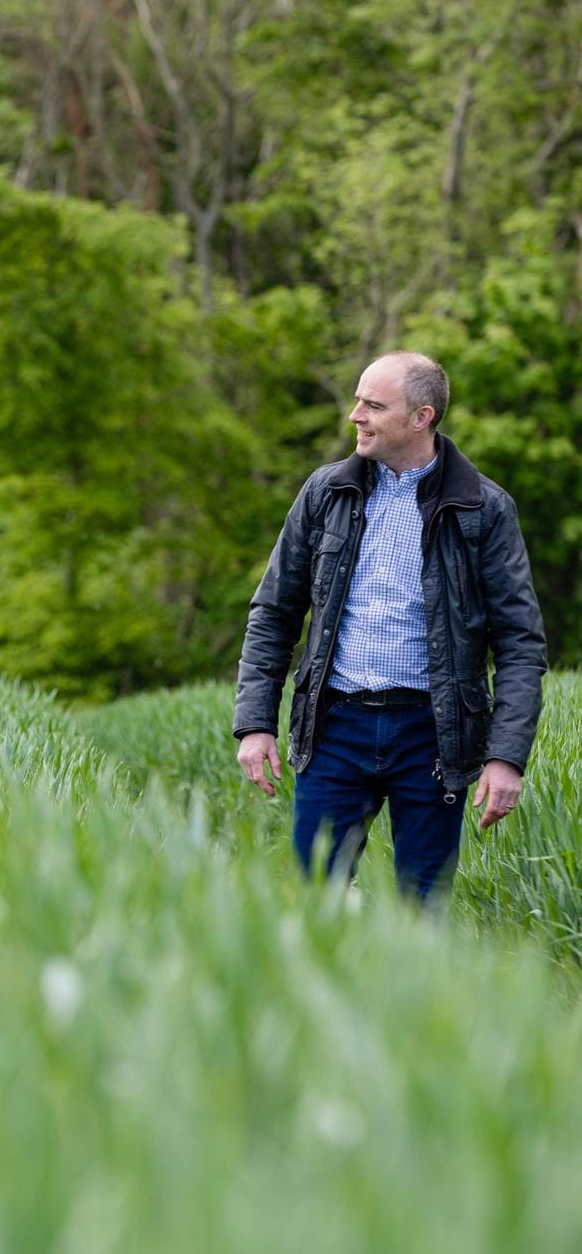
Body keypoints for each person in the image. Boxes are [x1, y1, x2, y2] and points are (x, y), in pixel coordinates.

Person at [233, 351, 546, 901]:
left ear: (421, 417)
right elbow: (274, 613)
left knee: (420, 911)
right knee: (314, 901)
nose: (356, 415)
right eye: (357, 400)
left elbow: (521, 643)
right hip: (334, 729)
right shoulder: (326, 493)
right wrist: (255, 722)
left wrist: (505, 755)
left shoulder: (485, 508)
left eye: (373, 405)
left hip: (435, 736)